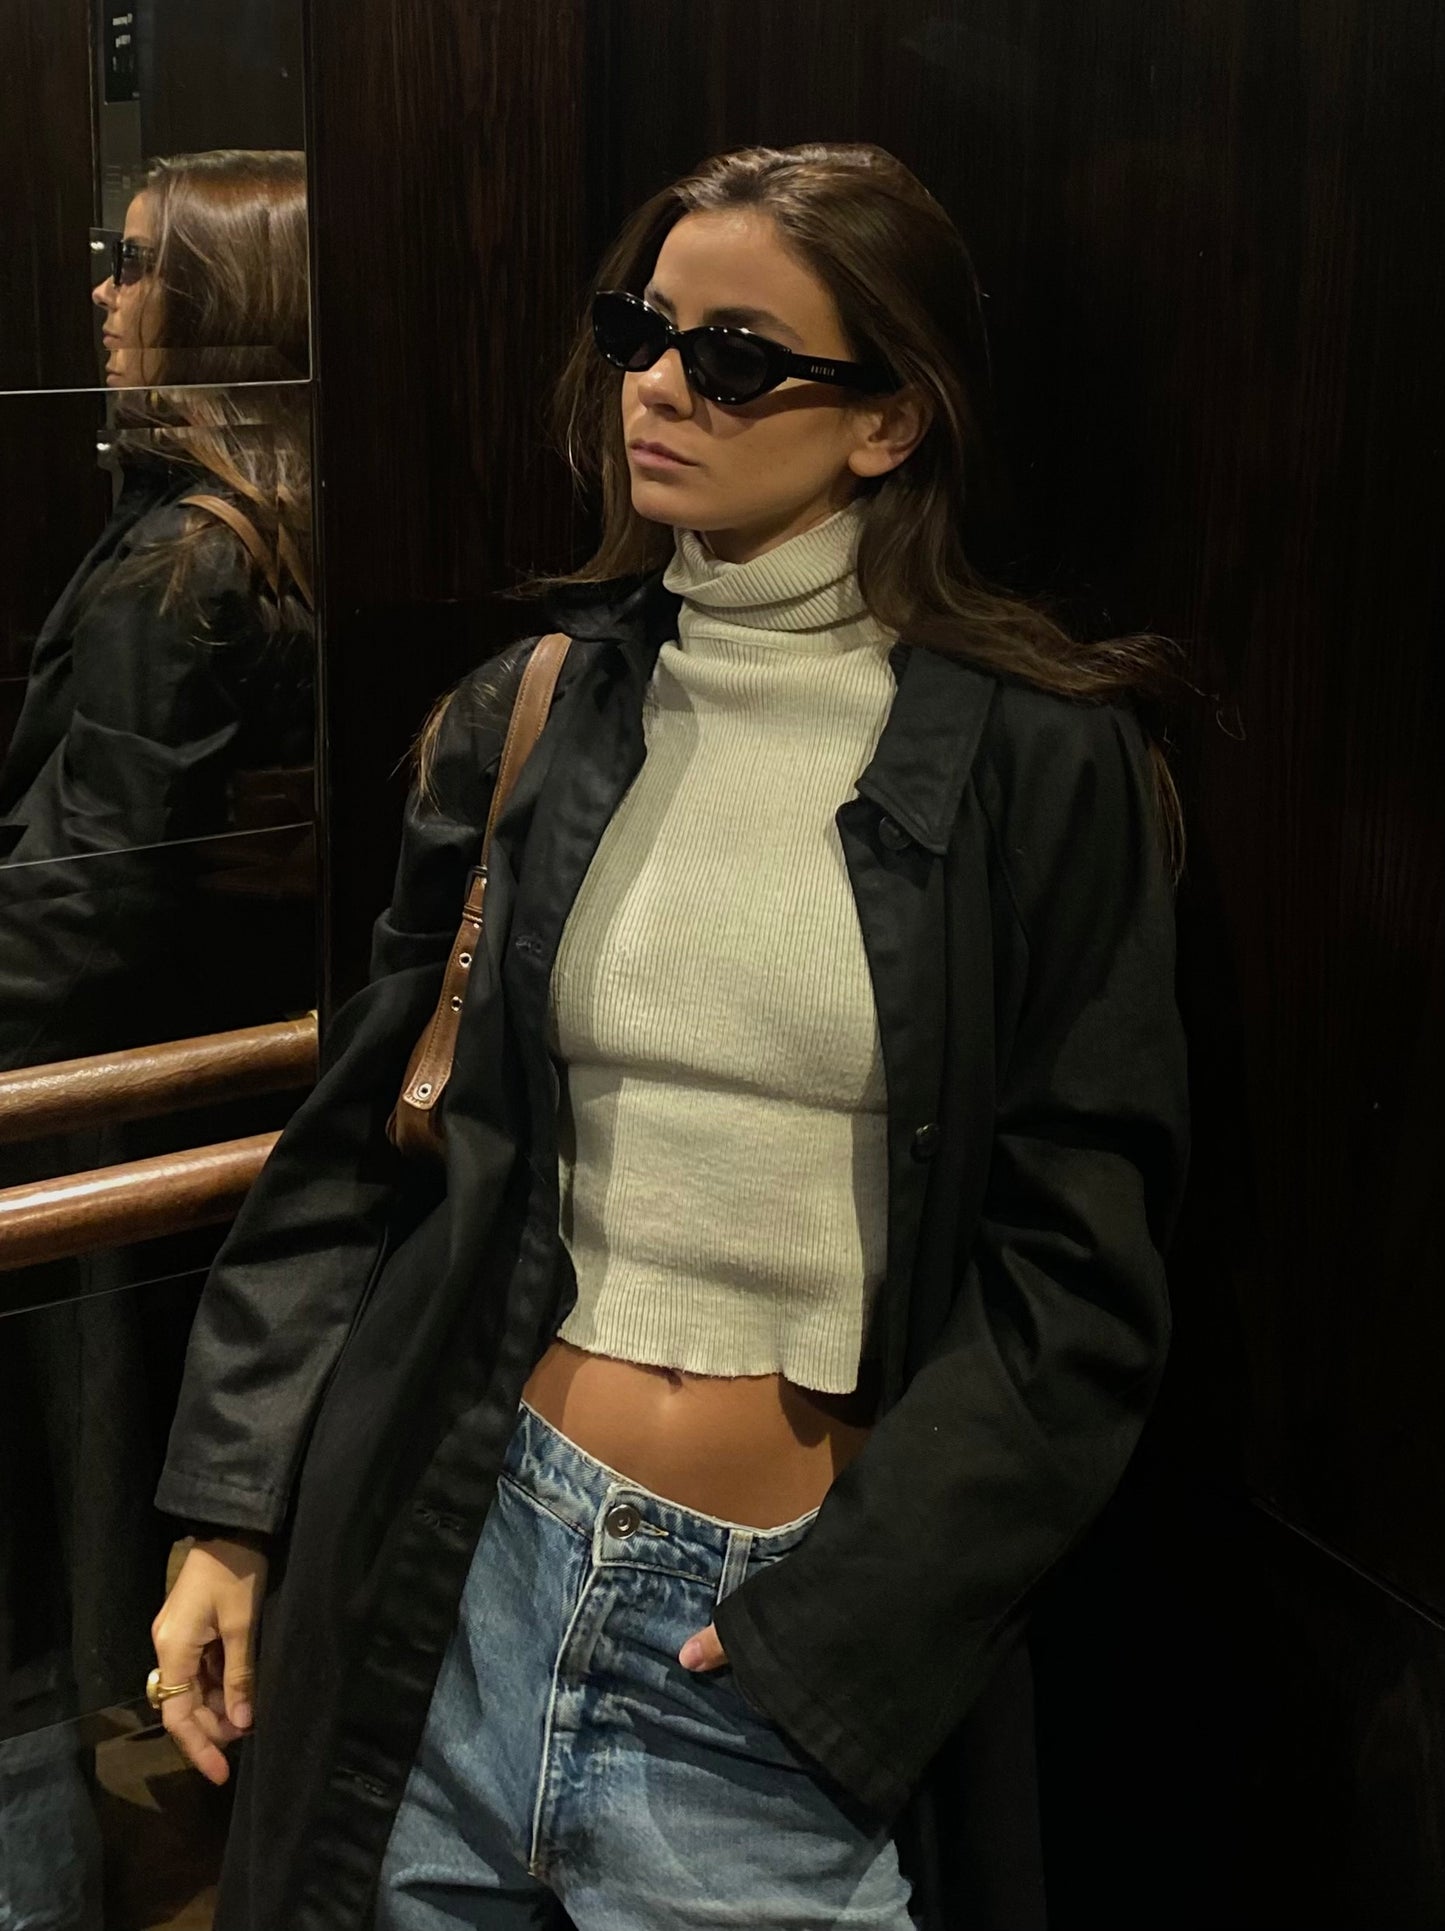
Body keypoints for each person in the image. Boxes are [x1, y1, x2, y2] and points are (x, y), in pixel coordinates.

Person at [149, 142, 1190, 1931]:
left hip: (759, 1648)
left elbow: (1076, 1277)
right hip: (458, 1557)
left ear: (887, 424)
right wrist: (230, 1509)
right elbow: (359, 1145)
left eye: (736, 356)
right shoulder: (537, 711)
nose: (658, 383)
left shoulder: (1038, 770)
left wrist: (835, 1642)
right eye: (648, 330)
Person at [0, 148, 312, 1931]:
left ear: (226, 305)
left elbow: (82, 901)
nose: (103, 299)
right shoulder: (261, 529)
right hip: (198, 1084)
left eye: (137, 269)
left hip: (107, 1116)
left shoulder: (183, 562)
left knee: (99, 1533)